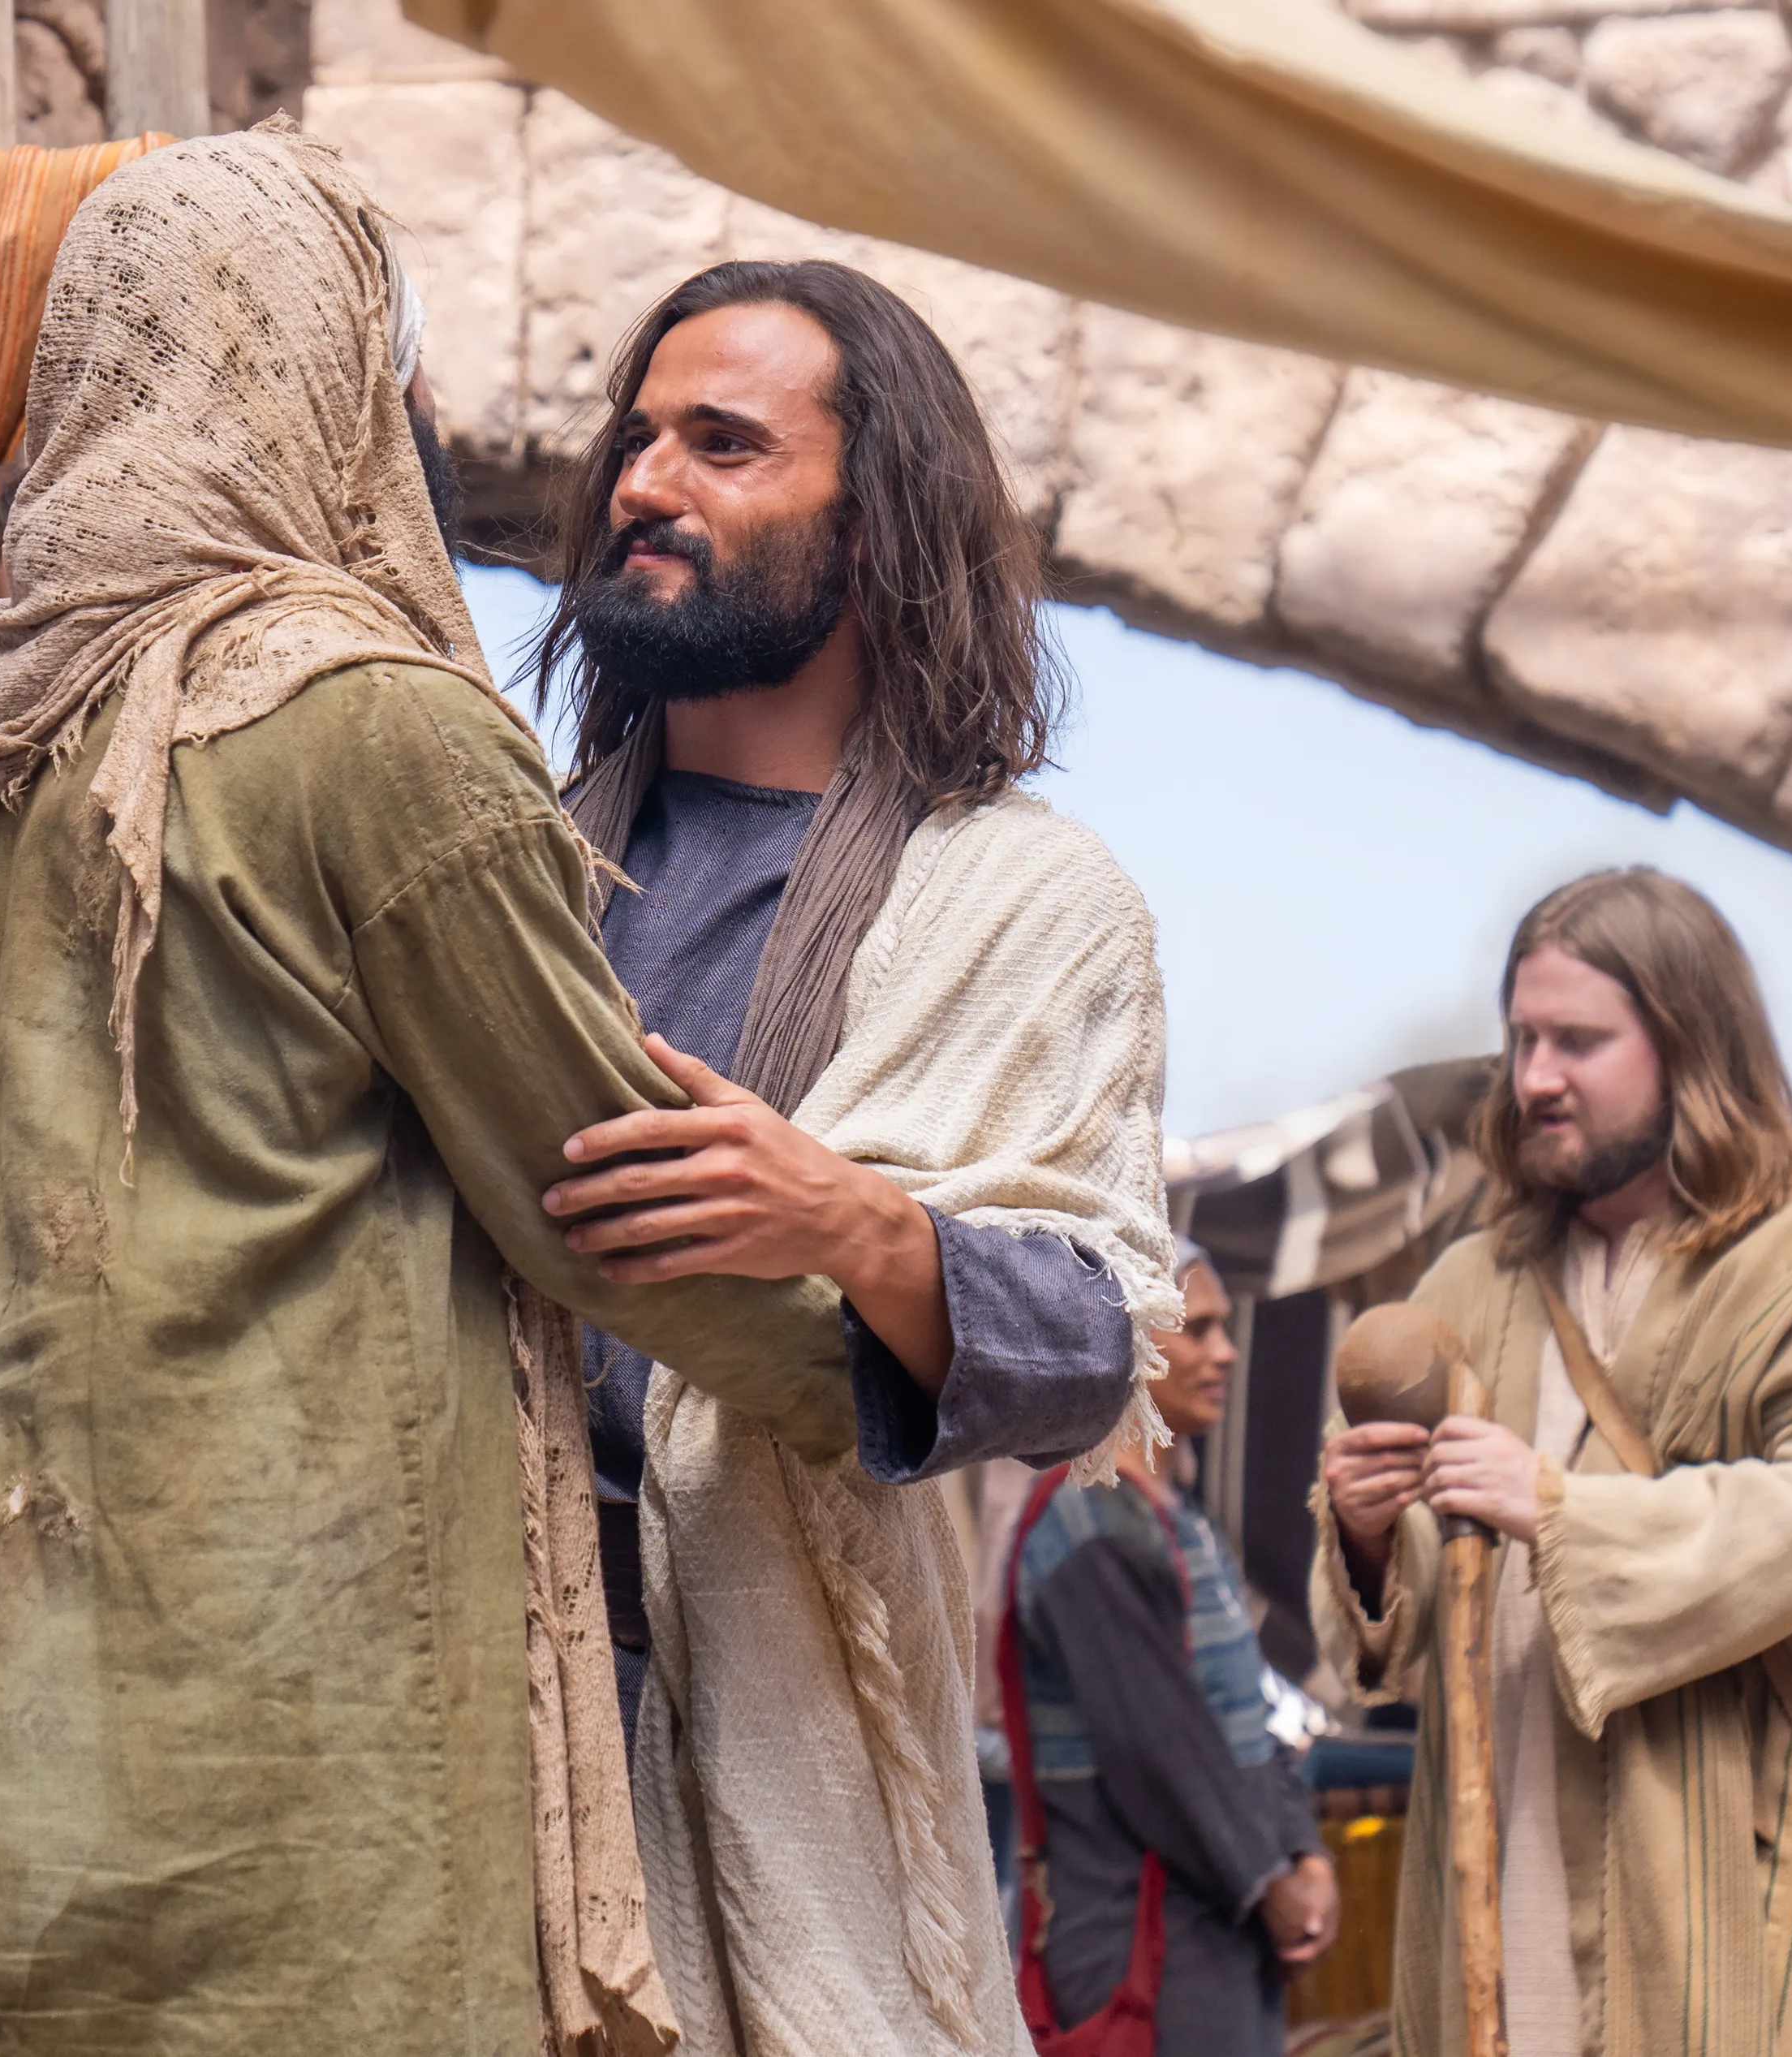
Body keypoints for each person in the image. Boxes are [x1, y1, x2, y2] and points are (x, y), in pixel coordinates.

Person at [0, 126, 862, 2056]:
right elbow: (610, 1197)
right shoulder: (367, 726)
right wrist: (879, 1370)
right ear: (322, 376)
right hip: (265, 1833)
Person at [525, 257, 1178, 2052]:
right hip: (443, 1711)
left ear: (875, 525)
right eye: (639, 440)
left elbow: (1096, 1333)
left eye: (724, 445)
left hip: (773, 1718)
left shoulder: (1028, 902)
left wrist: (859, 1226)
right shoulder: (495, 872)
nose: (647, 484)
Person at [1311, 868, 1792, 2057]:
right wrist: (1372, 1535)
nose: (1534, 1076)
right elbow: (1407, 1629)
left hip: (1741, 1883)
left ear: (1692, 1042)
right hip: (1494, 1877)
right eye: (1523, 1037)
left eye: (1578, 1040)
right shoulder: (1474, 1283)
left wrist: (1558, 1509)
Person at [1002, 1245, 1336, 2057]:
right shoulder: (1090, 1522)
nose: (1224, 1351)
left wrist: (1304, 1853)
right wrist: (1271, 1879)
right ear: (1132, 1344)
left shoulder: (1174, 1515)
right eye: (1199, 1329)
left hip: (1213, 1927)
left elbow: (1246, 1717)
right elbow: (1163, 1749)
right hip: (1143, 1939)